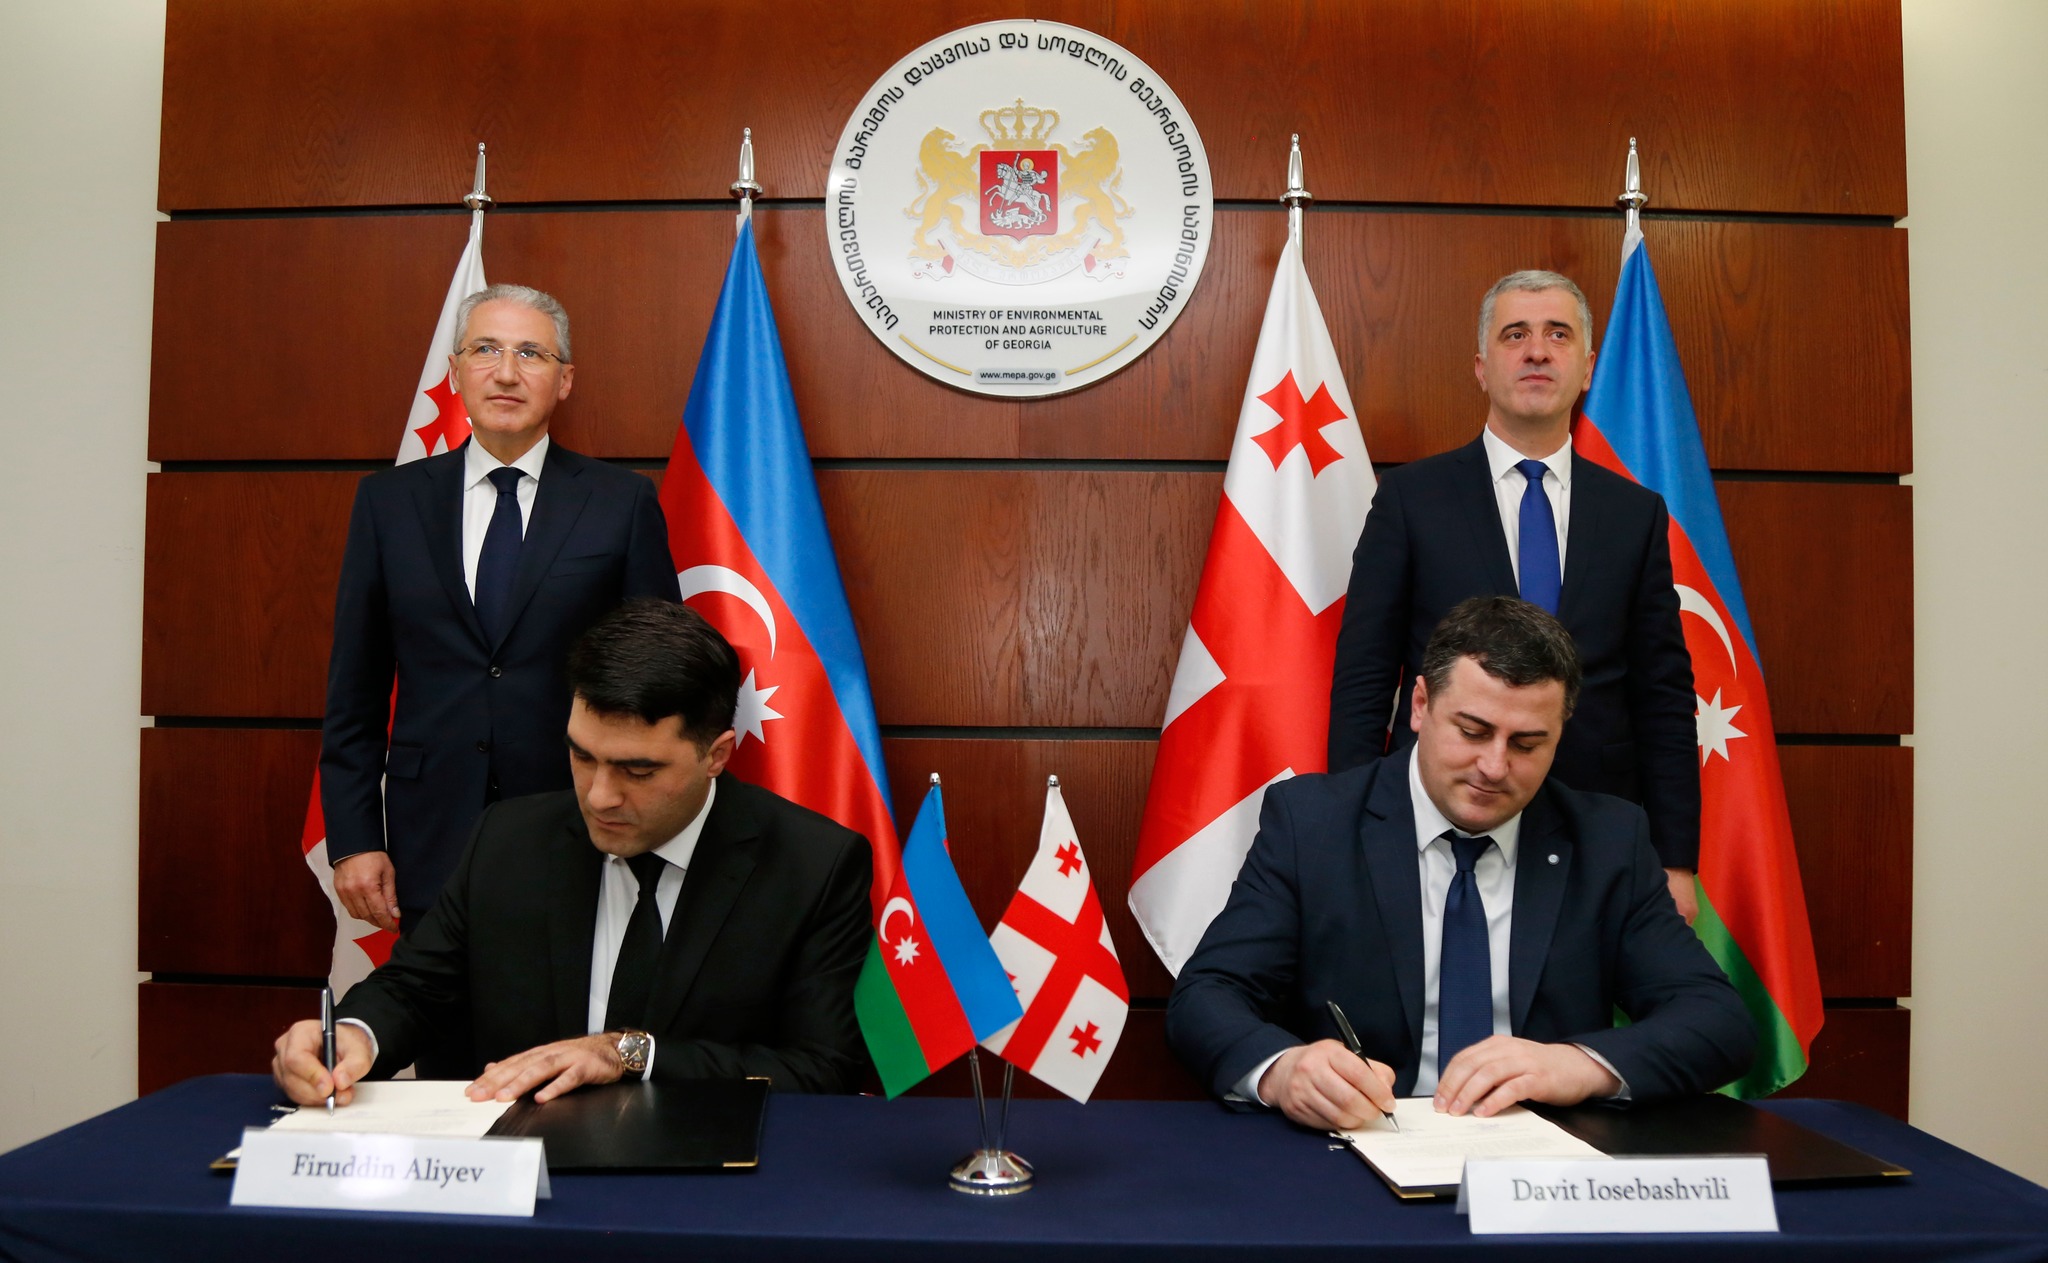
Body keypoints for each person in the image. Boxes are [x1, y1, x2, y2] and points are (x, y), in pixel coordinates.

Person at [1170, 597, 1752, 1130]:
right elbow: (1207, 995)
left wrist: (1578, 1065)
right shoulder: (1314, 825)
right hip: (1361, 1143)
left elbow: (1717, 1020)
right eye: (1473, 732)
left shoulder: (1608, 841)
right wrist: (1284, 1070)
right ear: (1421, 705)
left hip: (1544, 1164)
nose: (1494, 767)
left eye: (1527, 744)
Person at [274, 600, 874, 1104]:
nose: (600, 796)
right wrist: (352, 1037)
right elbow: (415, 989)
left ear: (715, 755)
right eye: (583, 756)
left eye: (638, 770)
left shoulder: (813, 865)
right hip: (526, 1173)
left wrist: (628, 1054)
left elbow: (825, 1070)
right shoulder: (508, 839)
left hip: (710, 1178)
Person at [1326, 270, 1702, 922]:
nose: (1536, 352)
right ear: (1481, 367)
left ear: (1587, 368)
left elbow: (1663, 696)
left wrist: (1675, 861)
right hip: (1439, 820)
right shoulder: (1411, 501)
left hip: (1595, 830)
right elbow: (1364, 678)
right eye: (1515, 335)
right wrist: (1353, 829)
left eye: (1558, 335)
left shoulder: (1635, 514)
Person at [321, 283, 681, 937]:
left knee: (570, 1006)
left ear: (564, 380)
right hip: (427, 837)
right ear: (455, 372)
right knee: (437, 1005)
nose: (507, 373)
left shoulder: (620, 502)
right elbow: (356, 690)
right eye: (485, 350)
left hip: (582, 828)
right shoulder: (388, 503)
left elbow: (659, 680)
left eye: (531, 354)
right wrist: (354, 839)